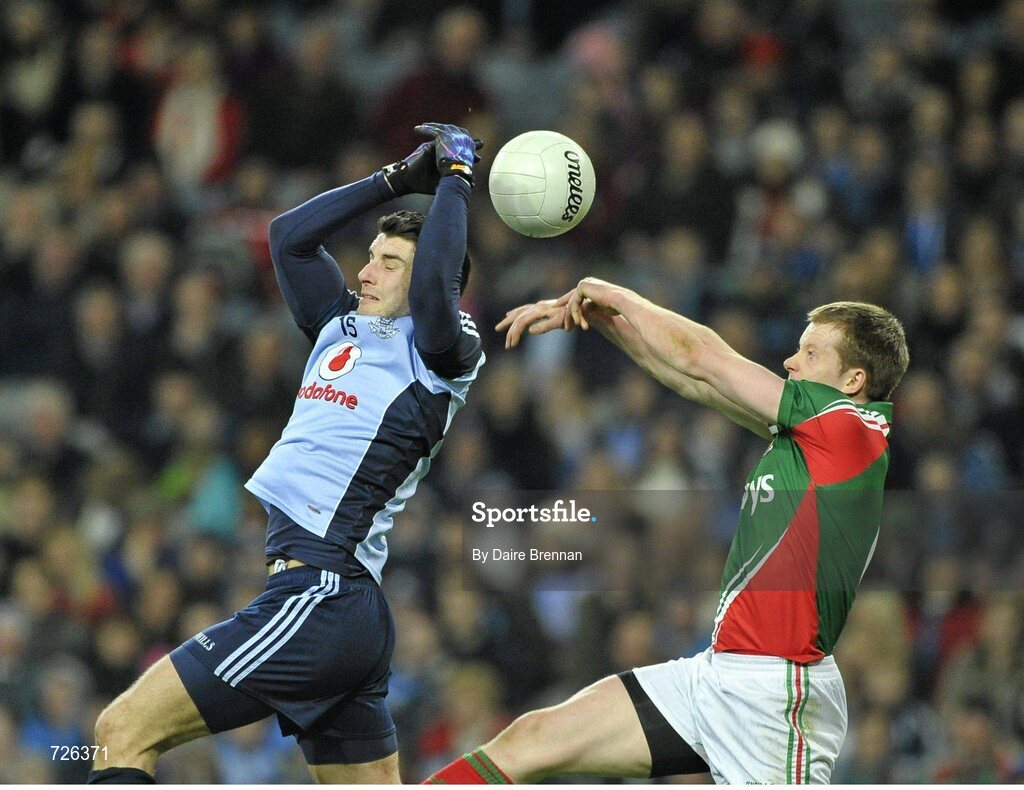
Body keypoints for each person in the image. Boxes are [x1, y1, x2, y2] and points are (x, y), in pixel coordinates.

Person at [87, 123, 485, 784]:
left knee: (120, 730)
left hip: (321, 594)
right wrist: (395, 179)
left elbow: (441, 278)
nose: (366, 270)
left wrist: (455, 183)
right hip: (341, 606)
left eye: (390, 263)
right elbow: (288, 237)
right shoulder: (340, 323)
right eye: (371, 255)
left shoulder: (442, 350)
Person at [425, 277, 909, 784]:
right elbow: (691, 380)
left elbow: (704, 357)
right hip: (716, 676)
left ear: (854, 380)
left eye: (810, 353)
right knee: (534, 740)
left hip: (776, 698)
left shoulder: (850, 430)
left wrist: (617, 295)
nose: (791, 362)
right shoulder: (809, 435)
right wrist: (605, 322)